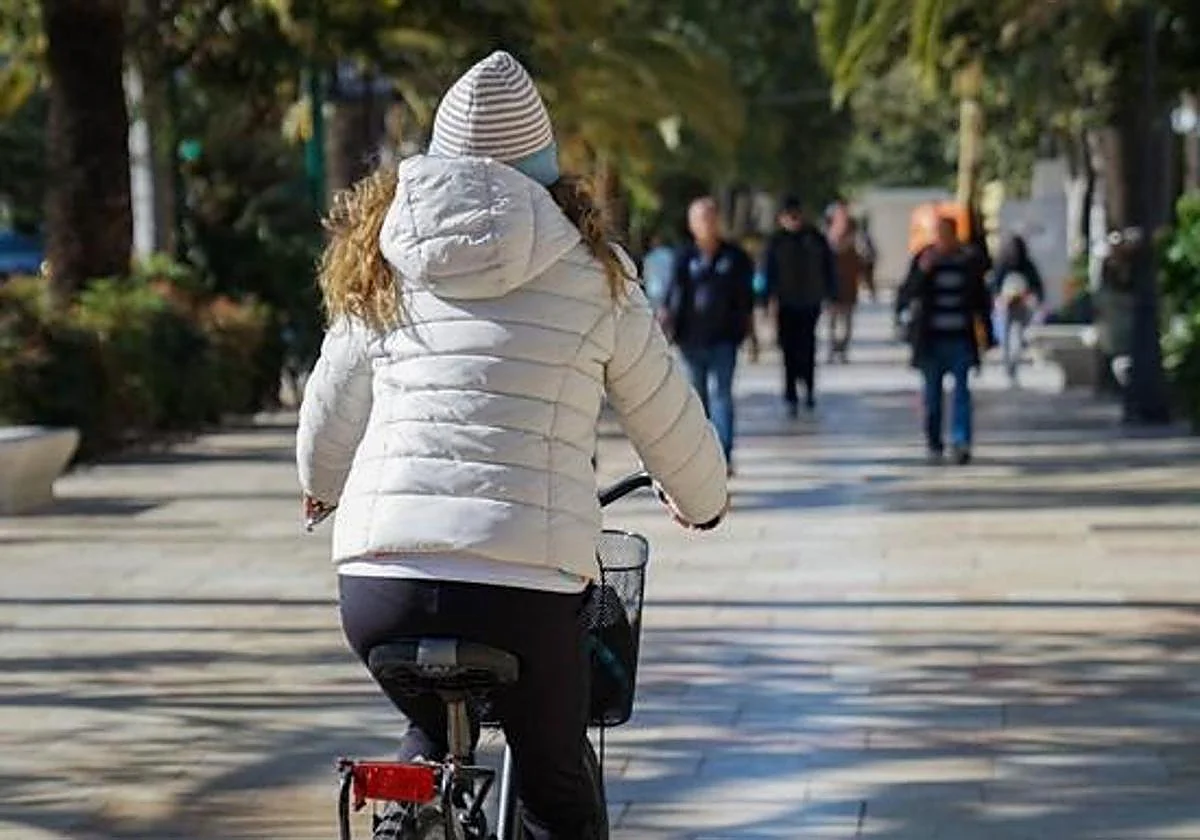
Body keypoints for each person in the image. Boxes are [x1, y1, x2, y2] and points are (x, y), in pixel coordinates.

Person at [296, 51, 729, 840]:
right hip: (526, 588)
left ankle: (412, 810)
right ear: (545, 169)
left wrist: (322, 488)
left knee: (428, 737)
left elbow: (327, 415)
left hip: (378, 585)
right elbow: (665, 412)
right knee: (553, 774)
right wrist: (701, 502)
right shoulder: (596, 274)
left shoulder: (384, 263)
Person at [662, 196, 755, 471]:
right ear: (692, 225)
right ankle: (702, 459)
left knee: (721, 395)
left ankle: (723, 456)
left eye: (711, 217)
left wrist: (750, 334)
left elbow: (746, 299)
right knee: (697, 401)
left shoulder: (735, 258)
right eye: (701, 218)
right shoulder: (683, 258)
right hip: (690, 340)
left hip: (724, 339)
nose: (707, 224)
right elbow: (671, 296)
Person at [895, 215, 993, 465]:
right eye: (938, 233)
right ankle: (934, 441)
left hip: (960, 338)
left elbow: (981, 301)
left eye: (946, 233)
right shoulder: (924, 259)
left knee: (962, 393)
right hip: (931, 341)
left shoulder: (969, 261)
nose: (942, 239)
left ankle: (961, 442)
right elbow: (907, 293)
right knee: (932, 396)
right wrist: (922, 272)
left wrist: (988, 335)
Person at [761, 196, 837, 416]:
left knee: (808, 347)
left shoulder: (815, 238)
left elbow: (828, 267)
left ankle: (809, 389)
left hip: (810, 301)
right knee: (788, 349)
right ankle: (791, 392)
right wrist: (765, 300)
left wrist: (831, 294)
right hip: (785, 302)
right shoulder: (776, 242)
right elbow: (767, 272)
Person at [989, 233, 1045, 386]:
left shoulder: (1010, 264)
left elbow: (1036, 286)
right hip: (1009, 305)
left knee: (1013, 336)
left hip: (1017, 305)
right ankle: (1010, 365)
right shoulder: (1013, 265)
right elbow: (995, 285)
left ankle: (1011, 365)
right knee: (1011, 336)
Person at [826, 203, 865, 364]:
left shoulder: (854, 244)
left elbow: (862, 264)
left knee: (844, 321)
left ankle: (841, 349)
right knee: (835, 321)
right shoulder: (829, 243)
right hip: (834, 288)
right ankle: (835, 348)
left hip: (848, 288)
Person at [856, 215, 879, 302]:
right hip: (865, 260)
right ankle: (871, 295)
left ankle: (873, 295)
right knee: (863, 279)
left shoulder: (864, 236)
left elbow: (867, 250)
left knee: (868, 279)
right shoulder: (862, 235)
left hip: (867, 261)